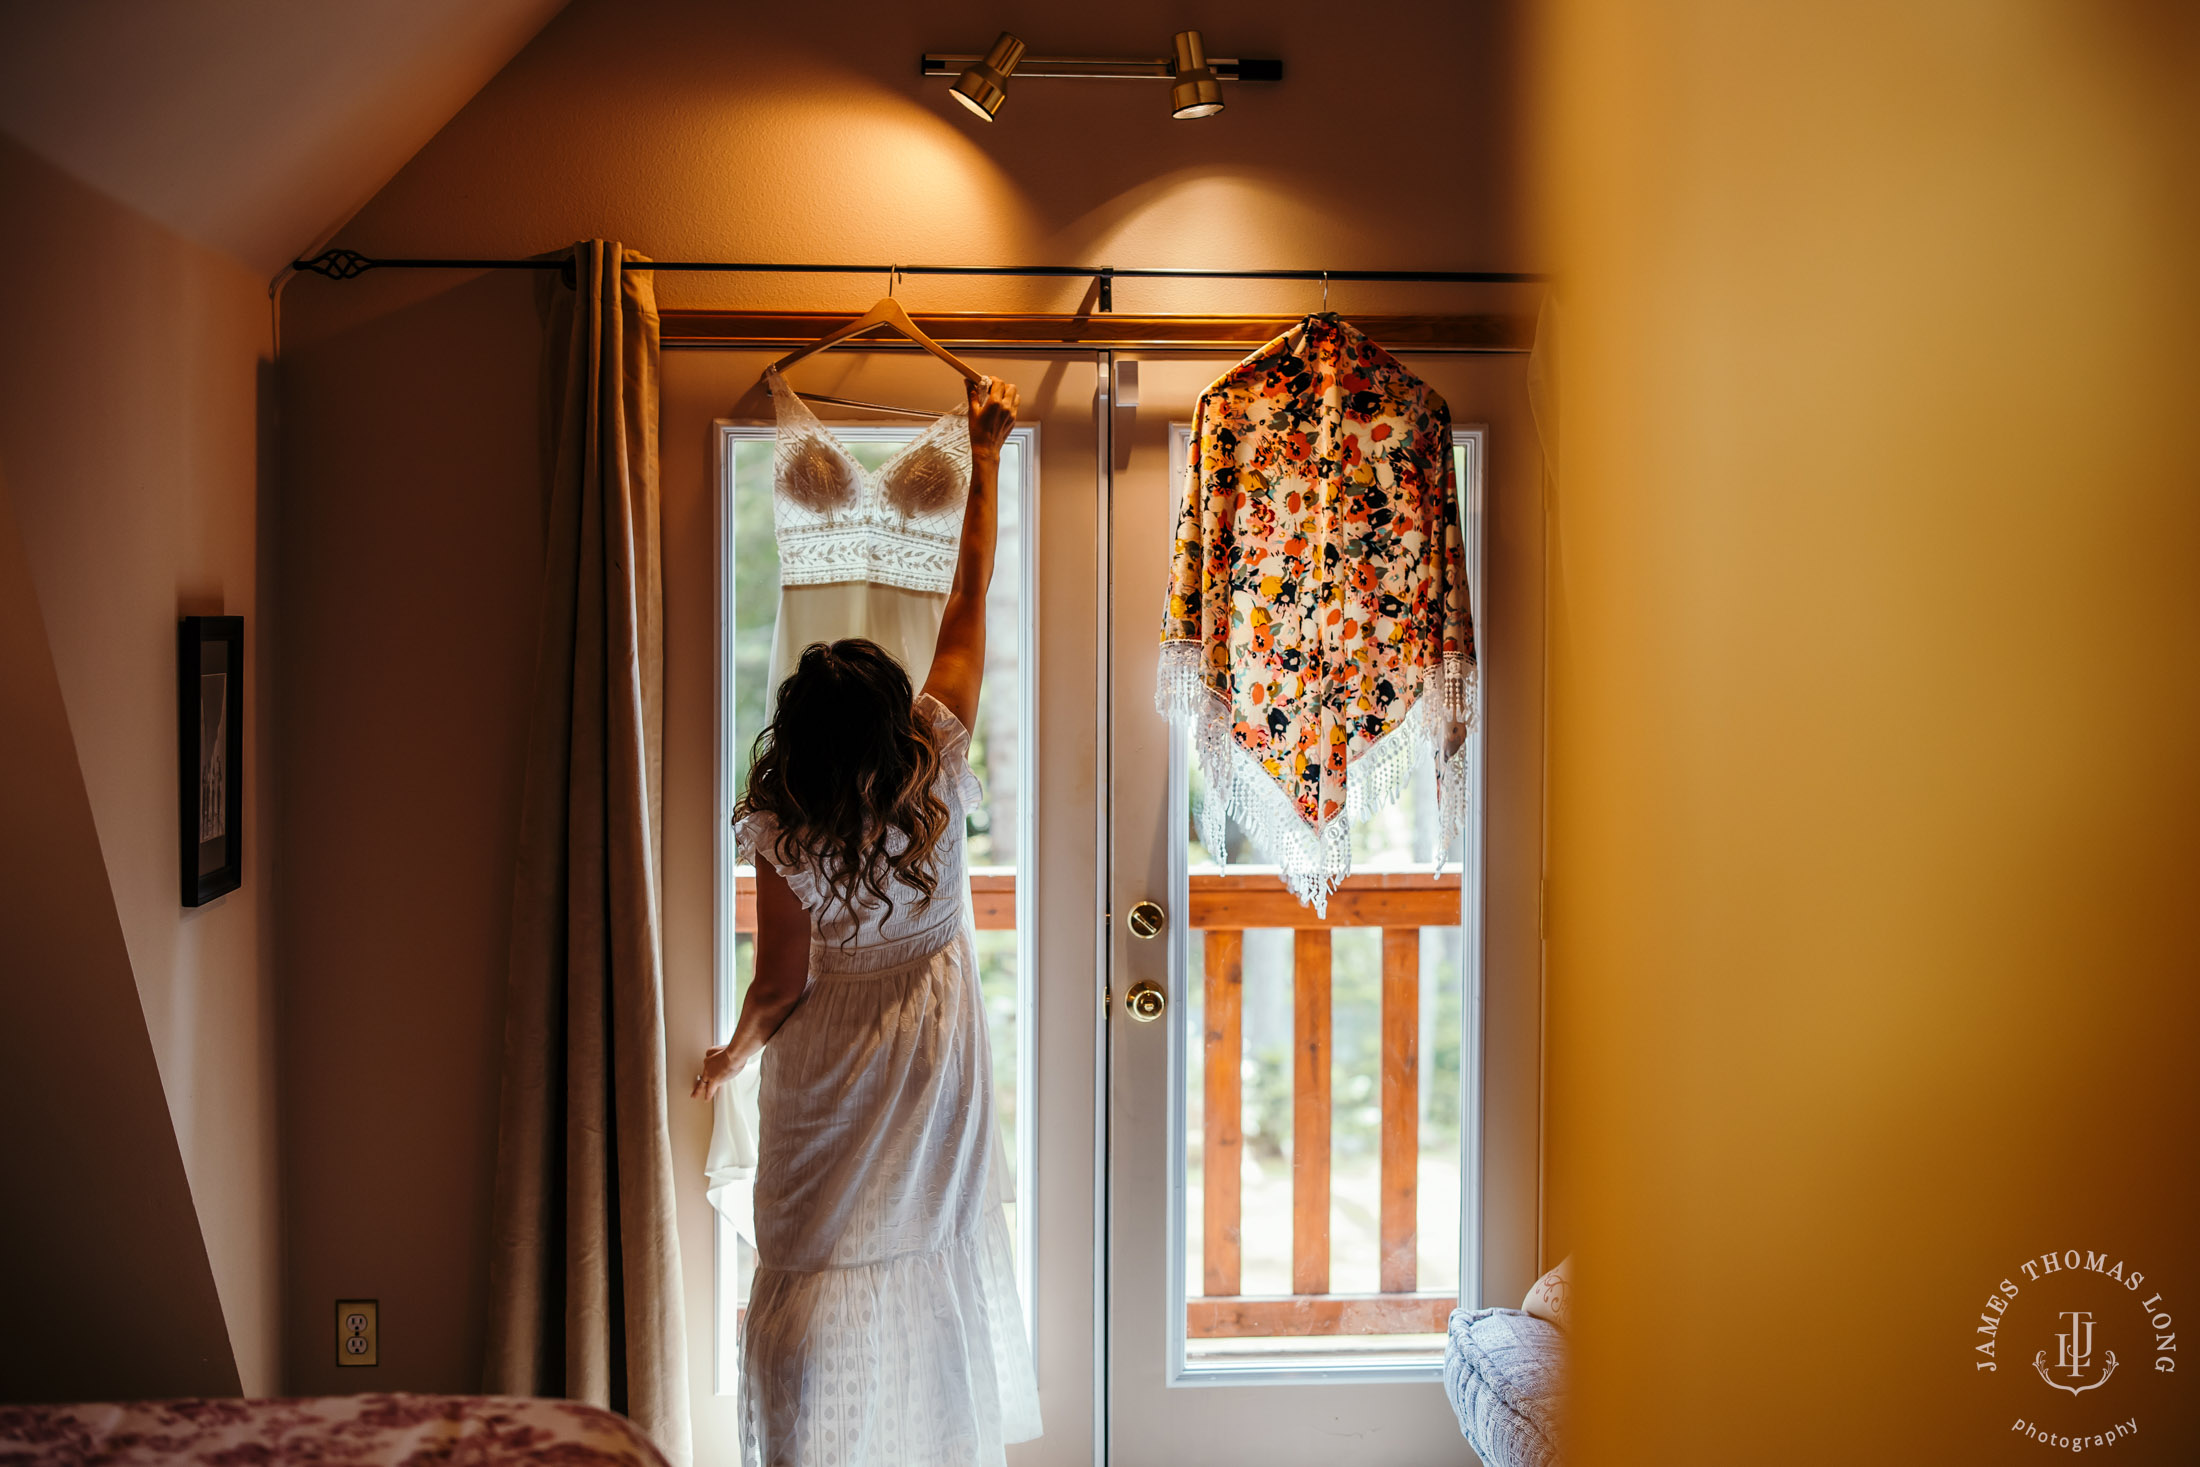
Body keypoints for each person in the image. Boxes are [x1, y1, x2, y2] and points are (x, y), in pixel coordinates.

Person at [694, 375, 1038, 1467]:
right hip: (933, 1036)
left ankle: (803, 1449)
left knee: (804, 1249)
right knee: (925, 1240)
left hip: (834, 1041)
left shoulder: (781, 825)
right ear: (891, 716)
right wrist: (986, 456)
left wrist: (736, 1055)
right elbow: (970, 593)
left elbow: (781, 982)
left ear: (794, 739)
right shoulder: (933, 760)